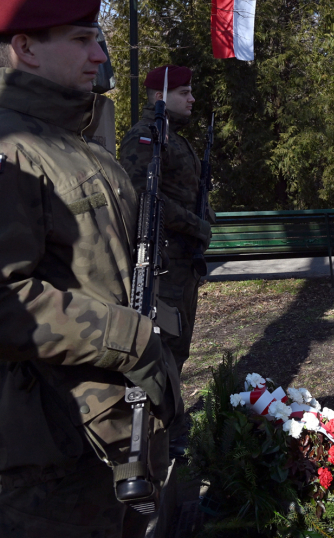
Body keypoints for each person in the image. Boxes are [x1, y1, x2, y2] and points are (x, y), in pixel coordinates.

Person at [0, 0, 180, 534]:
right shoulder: (1, 155)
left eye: (97, 38)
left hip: (119, 438)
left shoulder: (79, 149)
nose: (99, 54)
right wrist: (125, 336)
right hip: (60, 454)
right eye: (81, 39)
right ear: (26, 48)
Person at [119, 65, 212, 454]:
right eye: (184, 92)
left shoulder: (174, 137)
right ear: (160, 97)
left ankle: (169, 427)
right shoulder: (145, 137)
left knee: (179, 345)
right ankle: (161, 435)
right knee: (164, 349)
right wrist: (195, 224)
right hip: (162, 262)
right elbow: (143, 197)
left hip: (183, 262)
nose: (192, 99)